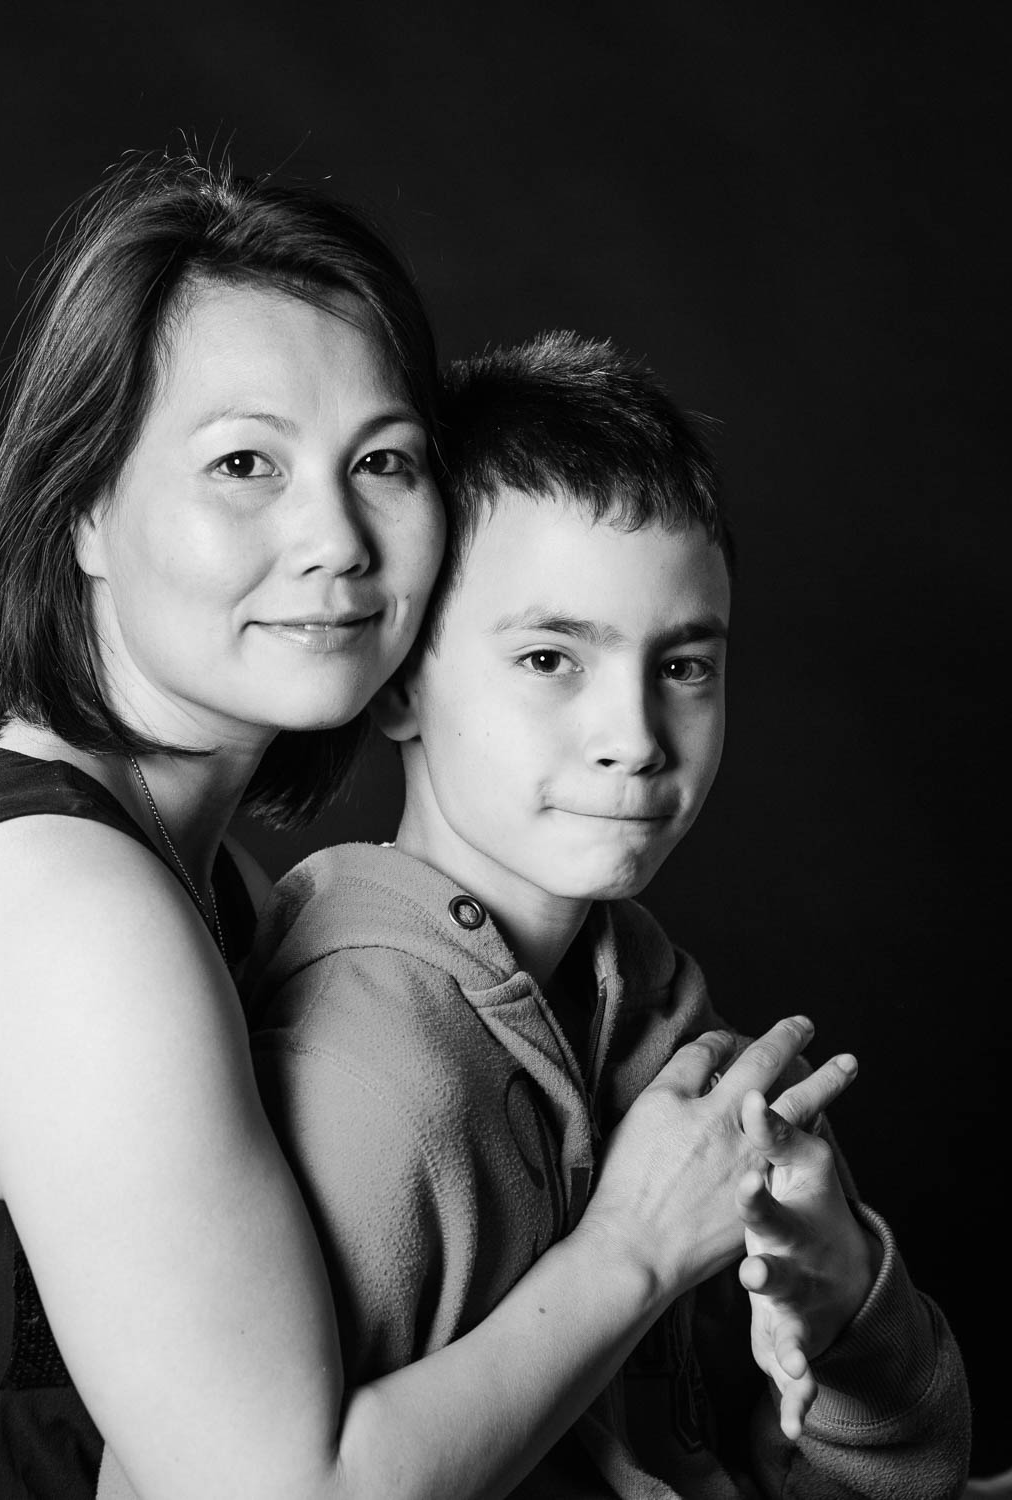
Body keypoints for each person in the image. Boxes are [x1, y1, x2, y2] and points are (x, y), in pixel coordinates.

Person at [0, 156, 845, 1500]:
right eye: (244, 463)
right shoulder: (63, 912)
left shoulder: (213, 887)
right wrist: (638, 1245)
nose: (337, 537)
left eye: (385, 462)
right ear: (82, 512)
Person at [247, 333, 972, 1498]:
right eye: (549, 656)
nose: (633, 735)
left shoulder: (655, 1014)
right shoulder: (369, 1078)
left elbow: (896, 1474)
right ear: (396, 681)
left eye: (684, 665)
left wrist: (848, 1313)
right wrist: (627, 1254)